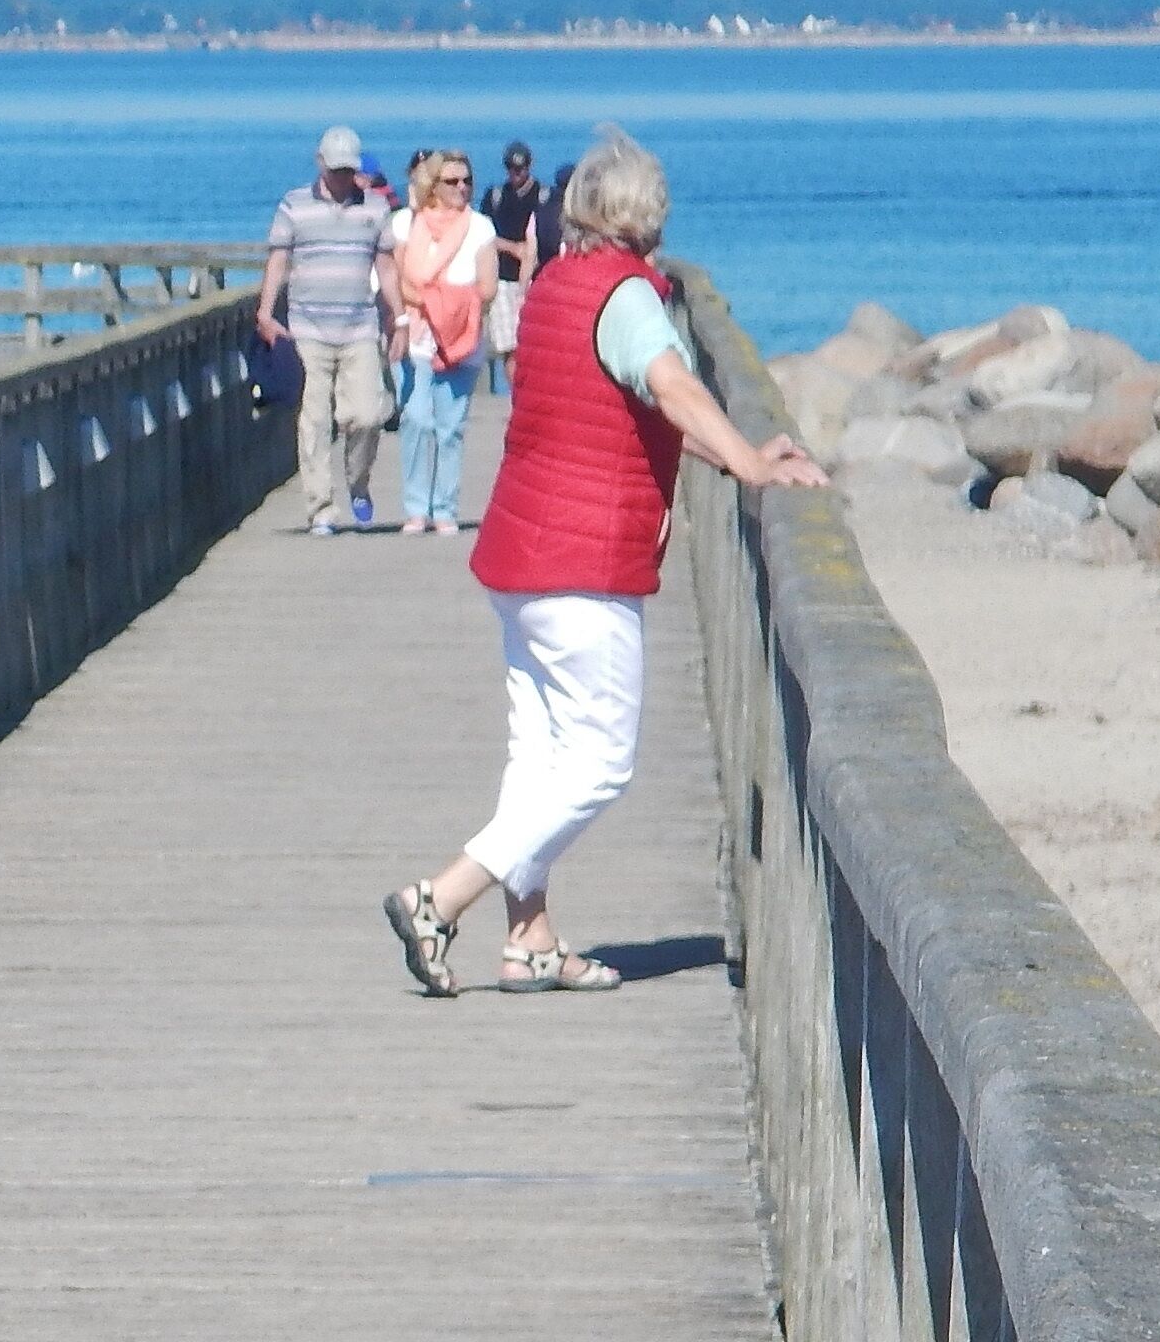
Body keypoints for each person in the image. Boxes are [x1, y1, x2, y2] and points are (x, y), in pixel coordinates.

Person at [381, 126, 828, 996]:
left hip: (518, 551)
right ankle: (440, 896)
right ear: (647, 217)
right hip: (582, 561)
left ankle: (530, 942)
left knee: (541, 759)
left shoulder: (553, 286)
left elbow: (617, 411)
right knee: (599, 765)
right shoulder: (629, 298)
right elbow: (670, 388)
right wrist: (748, 461)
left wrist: (724, 447)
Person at [258, 126, 397, 535]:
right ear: (320, 164)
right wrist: (266, 312)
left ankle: (358, 481)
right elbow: (278, 260)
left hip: (359, 327)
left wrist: (399, 316)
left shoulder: (375, 209)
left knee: (368, 416)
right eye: (335, 169)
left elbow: (387, 268)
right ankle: (321, 507)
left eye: (347, 170)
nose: (341, 177)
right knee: (314, 420)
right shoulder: (294, 206)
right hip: (307, 328)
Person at [389, 151, 496, 533]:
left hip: (460, 342)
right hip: (416, 337)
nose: (462, 188)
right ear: (432, 184)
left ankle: (445, 508)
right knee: (417, 419)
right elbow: (396, 281)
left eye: (467, 180)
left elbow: (488, 287)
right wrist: (435, 301)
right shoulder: (404, 223)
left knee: (450, 428)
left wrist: (446, 303)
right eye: (452, 181)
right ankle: (416, 506)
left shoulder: (481, 228)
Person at [480, 141, 547, 391]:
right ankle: (518, 395)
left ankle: (534, 391)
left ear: (529, 166)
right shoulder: (496, 196)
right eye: (511, 168)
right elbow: (484, 234)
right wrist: (514, 248)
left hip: (536, 281)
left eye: (520, 168)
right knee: (508, 346)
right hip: (503, 279)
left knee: (535, 344)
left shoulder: (543, 196)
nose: (515, 173)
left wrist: (531, 254)